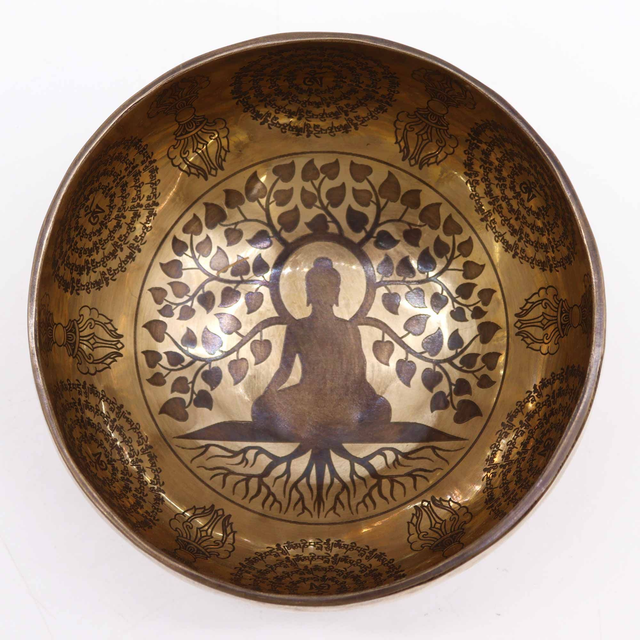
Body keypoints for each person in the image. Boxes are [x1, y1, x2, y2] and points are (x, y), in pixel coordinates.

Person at [252, 257, 391, 444]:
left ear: (336, 293)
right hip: (307, 397)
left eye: (327, 288)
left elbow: (359, 373)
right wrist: (269, 393)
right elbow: (285, 370)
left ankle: (319, 425)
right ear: (308, 292)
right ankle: (332, 425)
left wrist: (371, 400)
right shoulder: (296, 328)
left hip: (342, 398)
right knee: (261, 406)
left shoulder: (348, 329)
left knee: (381, 408)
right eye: (316, 288)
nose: (322, 293)